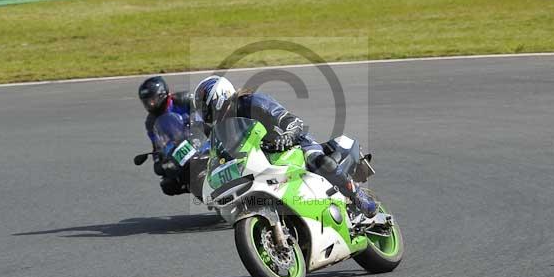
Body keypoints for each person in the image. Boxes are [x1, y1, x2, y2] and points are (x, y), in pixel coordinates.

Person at [193, 75, 377, 217]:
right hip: (264, 157)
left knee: (319, 161)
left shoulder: (251, 101)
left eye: (205, 108)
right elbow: (221, 154)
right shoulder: (222, 128)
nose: (205, 114)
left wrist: (287, 135)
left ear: (219, 98)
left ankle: (358, 196)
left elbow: (290, 120)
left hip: (294, 142)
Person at [138, 76, 196, 195]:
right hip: (181, 149)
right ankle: (194, 187)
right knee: (168, 184)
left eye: (152, 100)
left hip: (201, 137)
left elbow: (206, 114)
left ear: (162, 95)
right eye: (146, 102)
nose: (150, 104)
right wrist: (158, 161)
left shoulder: (184, 100)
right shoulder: (151, 122)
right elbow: (157, 145)